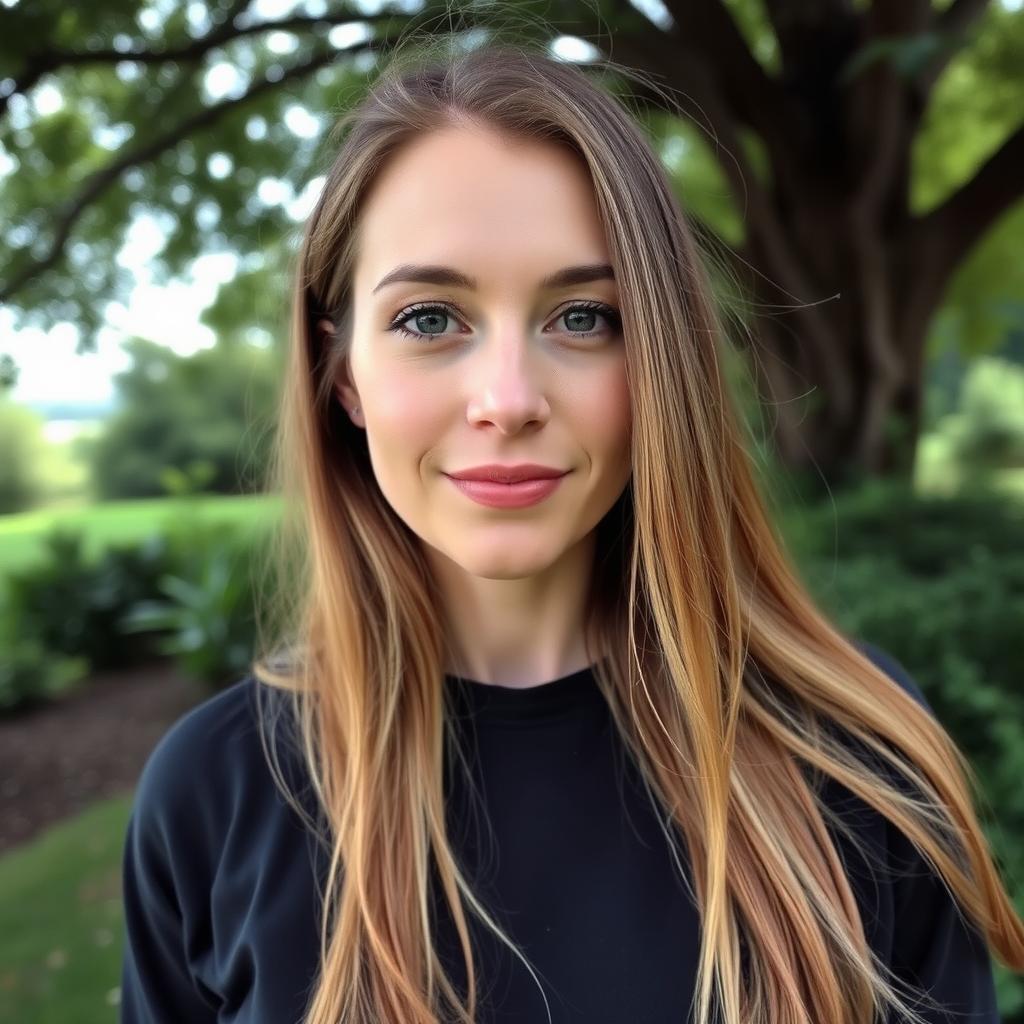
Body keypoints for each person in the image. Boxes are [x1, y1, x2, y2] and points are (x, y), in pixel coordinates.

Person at [118, 36, 1024, 1024]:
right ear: (342, 376)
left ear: (662, 363)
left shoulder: (854, 757)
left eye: (583, 318)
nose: (507, 400)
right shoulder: (212, 795)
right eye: (430, 318)